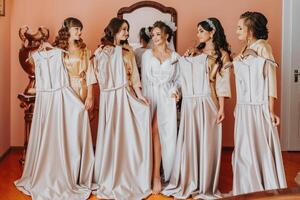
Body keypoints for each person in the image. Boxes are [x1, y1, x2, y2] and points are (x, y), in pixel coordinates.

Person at [15, 42, 95, 199]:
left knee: (64, 131)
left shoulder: (60, 53)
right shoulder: (36, 57)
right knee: (47, 136)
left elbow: (66, 84)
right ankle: (49, 171)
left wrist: (79, 106)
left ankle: (65, 169)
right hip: (45, 101)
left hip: (59, 98)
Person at [163, 17, 232, 199]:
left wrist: (222, 108)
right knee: (190, 142)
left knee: (207, 143)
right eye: (197, 31)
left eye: (201, 30)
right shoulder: (194, 52)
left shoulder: (222, 55)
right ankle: (190, 179)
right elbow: (184, 77)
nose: (198, 34)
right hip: (190, 103)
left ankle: (205, 184)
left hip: (209, 102)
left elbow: (222, 84)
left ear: (212, 32)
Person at [93, 17, 152, 200]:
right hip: (109, 97)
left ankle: (130, 173)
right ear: (114, 30)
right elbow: (97, 76)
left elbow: (134, 76)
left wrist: (140, 96)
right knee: (111, 134)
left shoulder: (128, 51)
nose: (127, 33)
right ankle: (110, 174)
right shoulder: (101, 51)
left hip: (125, 95)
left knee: (128, 133)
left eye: (127, 29)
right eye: (123, 30)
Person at [232, 11, 287, 195]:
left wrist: (270, 109)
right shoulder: (243, 49)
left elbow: (270, 78)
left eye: (240, 27)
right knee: (244, 150)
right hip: (243, 107)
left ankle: (263, 189)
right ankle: (246, 188)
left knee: (258, 148)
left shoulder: (263, 47)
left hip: (258, 106)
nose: (236, 30)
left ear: (251, 30)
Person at [141, 20, 180, 194]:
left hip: (166, 98)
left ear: (166, 35)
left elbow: (178, 81)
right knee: (148, 132)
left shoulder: (175, 57)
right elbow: (143, 80)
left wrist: (176, 92)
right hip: (150, 96)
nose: (155, 37)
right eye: (153, 34)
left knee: (160, 132)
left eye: (158, 34)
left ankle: (156, 175)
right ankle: (148, 172)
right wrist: (142, 99)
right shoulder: (147, 55)